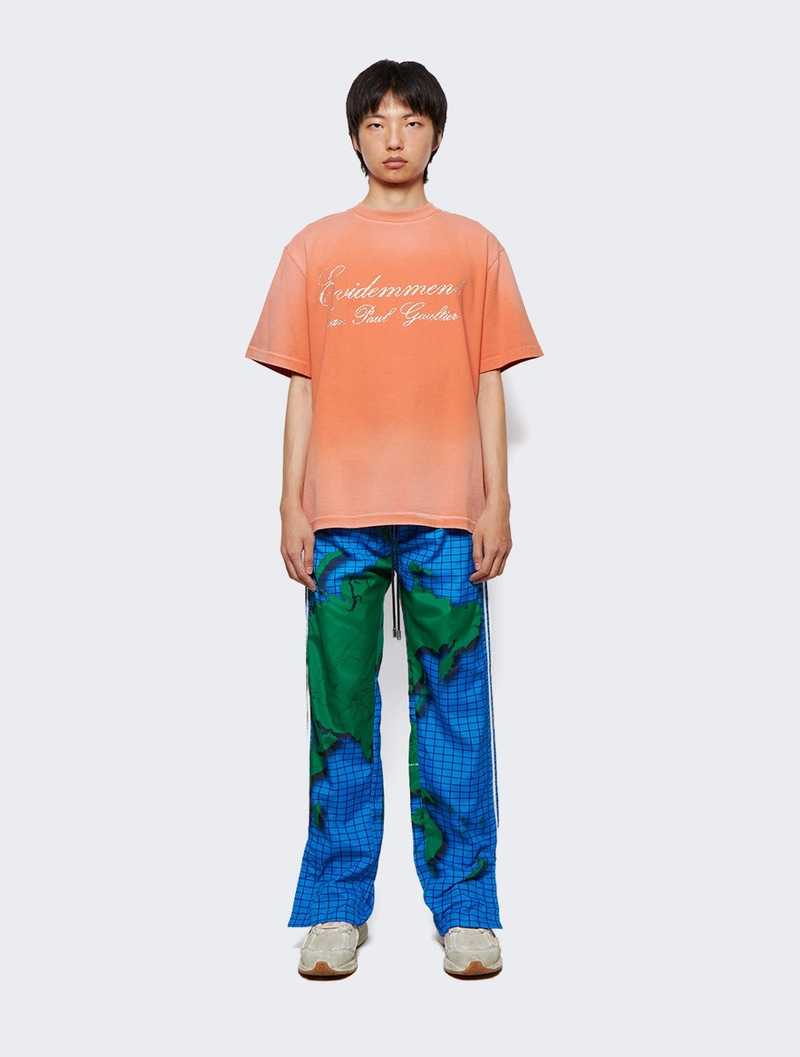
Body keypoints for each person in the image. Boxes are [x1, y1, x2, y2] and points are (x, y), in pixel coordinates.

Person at [245, 58, 542, 979]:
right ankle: (337, 907)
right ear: (354, 137)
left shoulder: (474, 248)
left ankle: (467, 911)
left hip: (447, 513)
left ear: (437, 134)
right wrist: (290, 500)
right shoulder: (314, 248)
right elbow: (301, 384)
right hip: (340, 516)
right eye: (376, 123)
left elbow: (488, 378)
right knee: (340, 708)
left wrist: (496, 497)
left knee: (456, 710)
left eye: (411, 122)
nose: (394, 139)